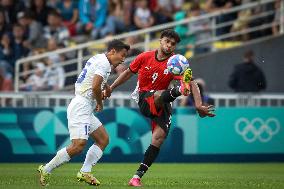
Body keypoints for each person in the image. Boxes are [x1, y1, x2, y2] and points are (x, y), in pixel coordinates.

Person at [105, 29, 215, 187]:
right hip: (144, 98)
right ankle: (179, 90)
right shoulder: (144, 57)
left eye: (173, 44)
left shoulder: (174, 63)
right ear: (160, 41)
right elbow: (128, 73)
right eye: (167, 41)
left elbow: (193, 83)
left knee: (159, 138)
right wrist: (111, 87)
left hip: (164, 102)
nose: (169, 45)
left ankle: (136, 177)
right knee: (158, 94)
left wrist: (198, 105)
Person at [37, 39, 130, 186]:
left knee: (103, 140)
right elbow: (94, 87)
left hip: (84, 106)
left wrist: (107, 87)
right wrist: (100, 103)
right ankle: (46, 169)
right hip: (81, 106)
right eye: (122, 54)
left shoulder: (99, 58)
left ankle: (85, 172)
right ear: (112, 51)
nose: (123, 59)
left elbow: (97, 79)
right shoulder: (104, 64)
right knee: (79, 145)